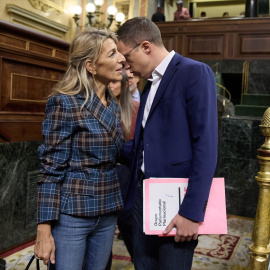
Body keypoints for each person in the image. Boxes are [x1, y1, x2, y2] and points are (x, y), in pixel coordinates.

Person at [116, 17, 218, 270]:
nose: (128, 68)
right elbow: (146, 144)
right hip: (142, 196)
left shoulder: (194, 72)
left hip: (177, 202)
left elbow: (205, 146)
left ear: (146, 47)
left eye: (128, 58)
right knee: (143, 265)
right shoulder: (150, 83)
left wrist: (192, 212)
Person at [34, 29, 126, 270]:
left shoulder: (113, 104)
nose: (122, 58)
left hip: (107, 209)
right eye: (113, 53)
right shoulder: (64, 102)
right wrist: (44, 230)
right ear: (90, 65)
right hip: (72, 213)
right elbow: (50, 169)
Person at [108, 69, 140, 264]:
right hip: (104, 176)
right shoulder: (102, 108)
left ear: (126, 84)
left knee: (130, 228)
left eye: (115, 82)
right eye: (108, 82)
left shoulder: (136, 108)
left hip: (127, 177)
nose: (110, 85)